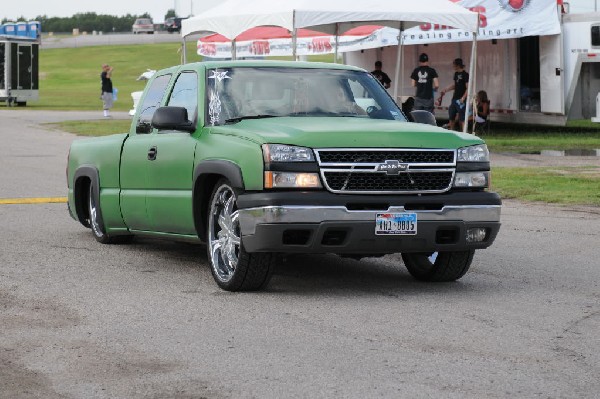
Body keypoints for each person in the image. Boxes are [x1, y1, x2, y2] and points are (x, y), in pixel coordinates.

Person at [438, 58, 469, 131]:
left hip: (461, 100)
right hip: (454, 99)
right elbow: (455, 85)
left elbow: (468, 88)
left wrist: (463, 98)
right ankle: (451, 131)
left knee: (462, 118)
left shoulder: (465, 75)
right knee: (451, 115)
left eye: (454, 65)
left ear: (458, 65)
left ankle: (464, 133)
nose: (453, 66)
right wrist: (446, 90)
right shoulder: (456, 74)